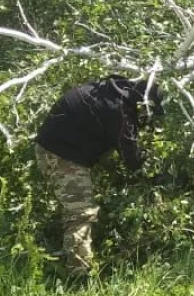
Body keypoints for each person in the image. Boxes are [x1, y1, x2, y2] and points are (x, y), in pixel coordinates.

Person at [34, 75, 164, 280]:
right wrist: (151, 168)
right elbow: (133, 161)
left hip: (55, 146)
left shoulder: (113, 89)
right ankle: (79, 276)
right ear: (142, 103)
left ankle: (63, 254)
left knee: (76, 208)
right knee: (80, 214)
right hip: (60, 155)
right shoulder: (118, 111)